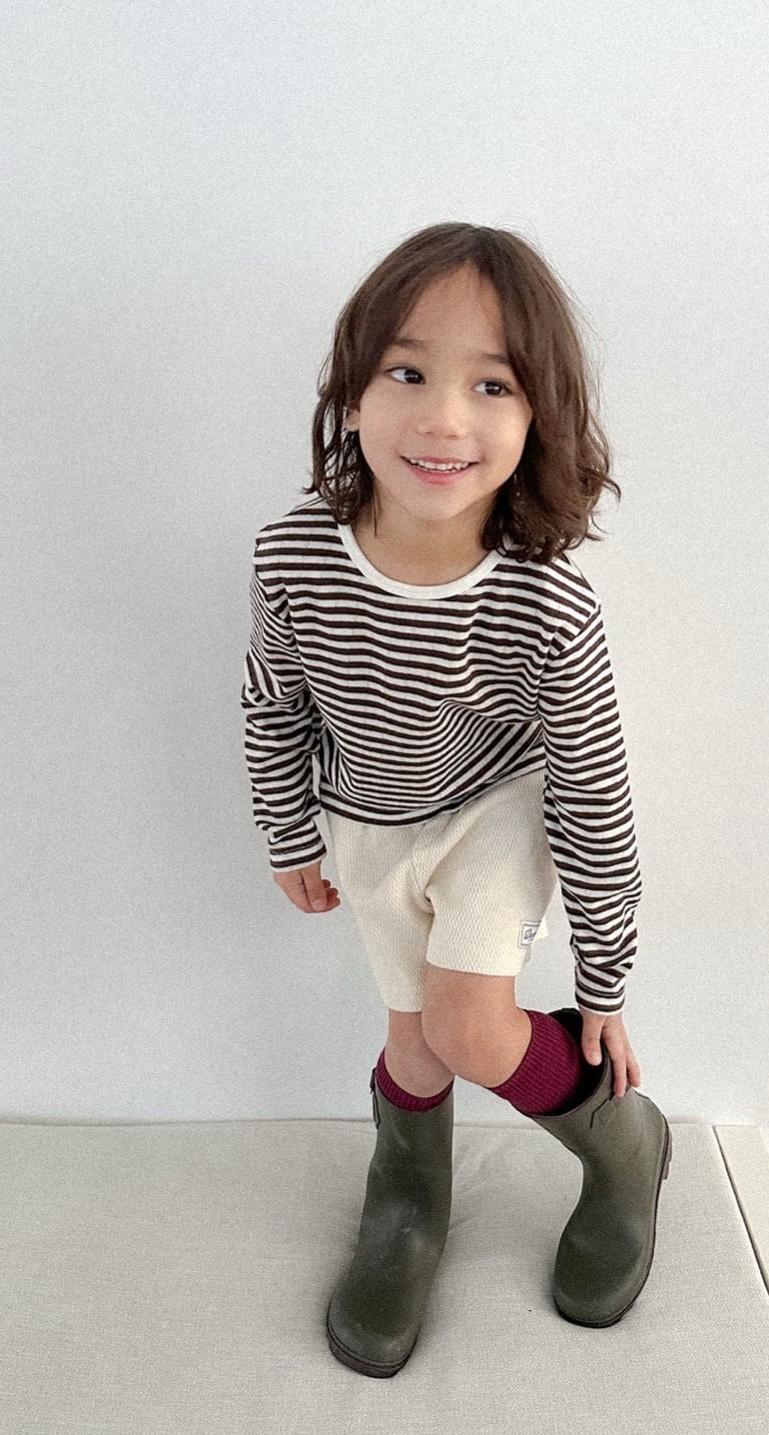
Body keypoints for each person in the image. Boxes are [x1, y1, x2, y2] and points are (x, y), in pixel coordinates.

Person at [240, 222, 671, 1377]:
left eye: (491, 384)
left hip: (496, 806)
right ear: (351, 391)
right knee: (414, 1042)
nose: (442, 417)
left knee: (468, 1025)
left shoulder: (545, 604)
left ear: (537, 418)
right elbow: (273, 703)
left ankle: (621, 1140)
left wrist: (602, 976)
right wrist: (286, 828)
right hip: (365, 818)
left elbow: (593, 790)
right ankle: (407, 1192)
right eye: (407, 371)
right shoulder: (290, 555)